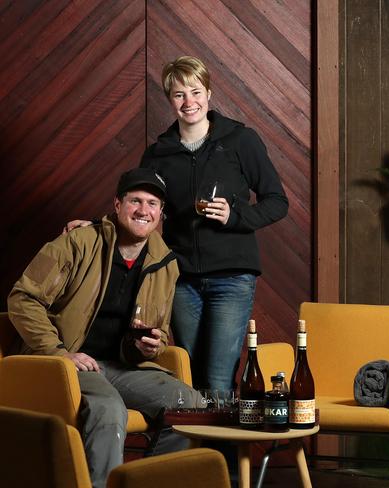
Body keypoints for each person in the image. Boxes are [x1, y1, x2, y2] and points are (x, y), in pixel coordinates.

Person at [8, 168, 201, 488]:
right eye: (135, 200)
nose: (144, 210)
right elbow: (22, 299)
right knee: (110, 410)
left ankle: (140, 482)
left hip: (123, 365)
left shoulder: (166, 262)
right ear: (117, 204)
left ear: (161, 213)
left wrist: (155, 345)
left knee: (192, 407)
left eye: (153, 203)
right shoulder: (77, 242)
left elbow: (162, 329)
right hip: (65, 362)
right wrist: (59, 352)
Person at [139, 55, 288, 391]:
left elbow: (277, 202)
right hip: (181, 279)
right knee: (190, 379)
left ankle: (224, 447)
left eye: (195, 91)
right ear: (170, 100)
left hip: (233, 277)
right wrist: (91, 226)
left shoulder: (240, 140)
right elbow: (140, 210)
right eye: (179, 95)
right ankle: (199, 446)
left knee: (219, 380)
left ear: (208, 92)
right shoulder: (157, 155)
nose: (189, 102)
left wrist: (234, 216)